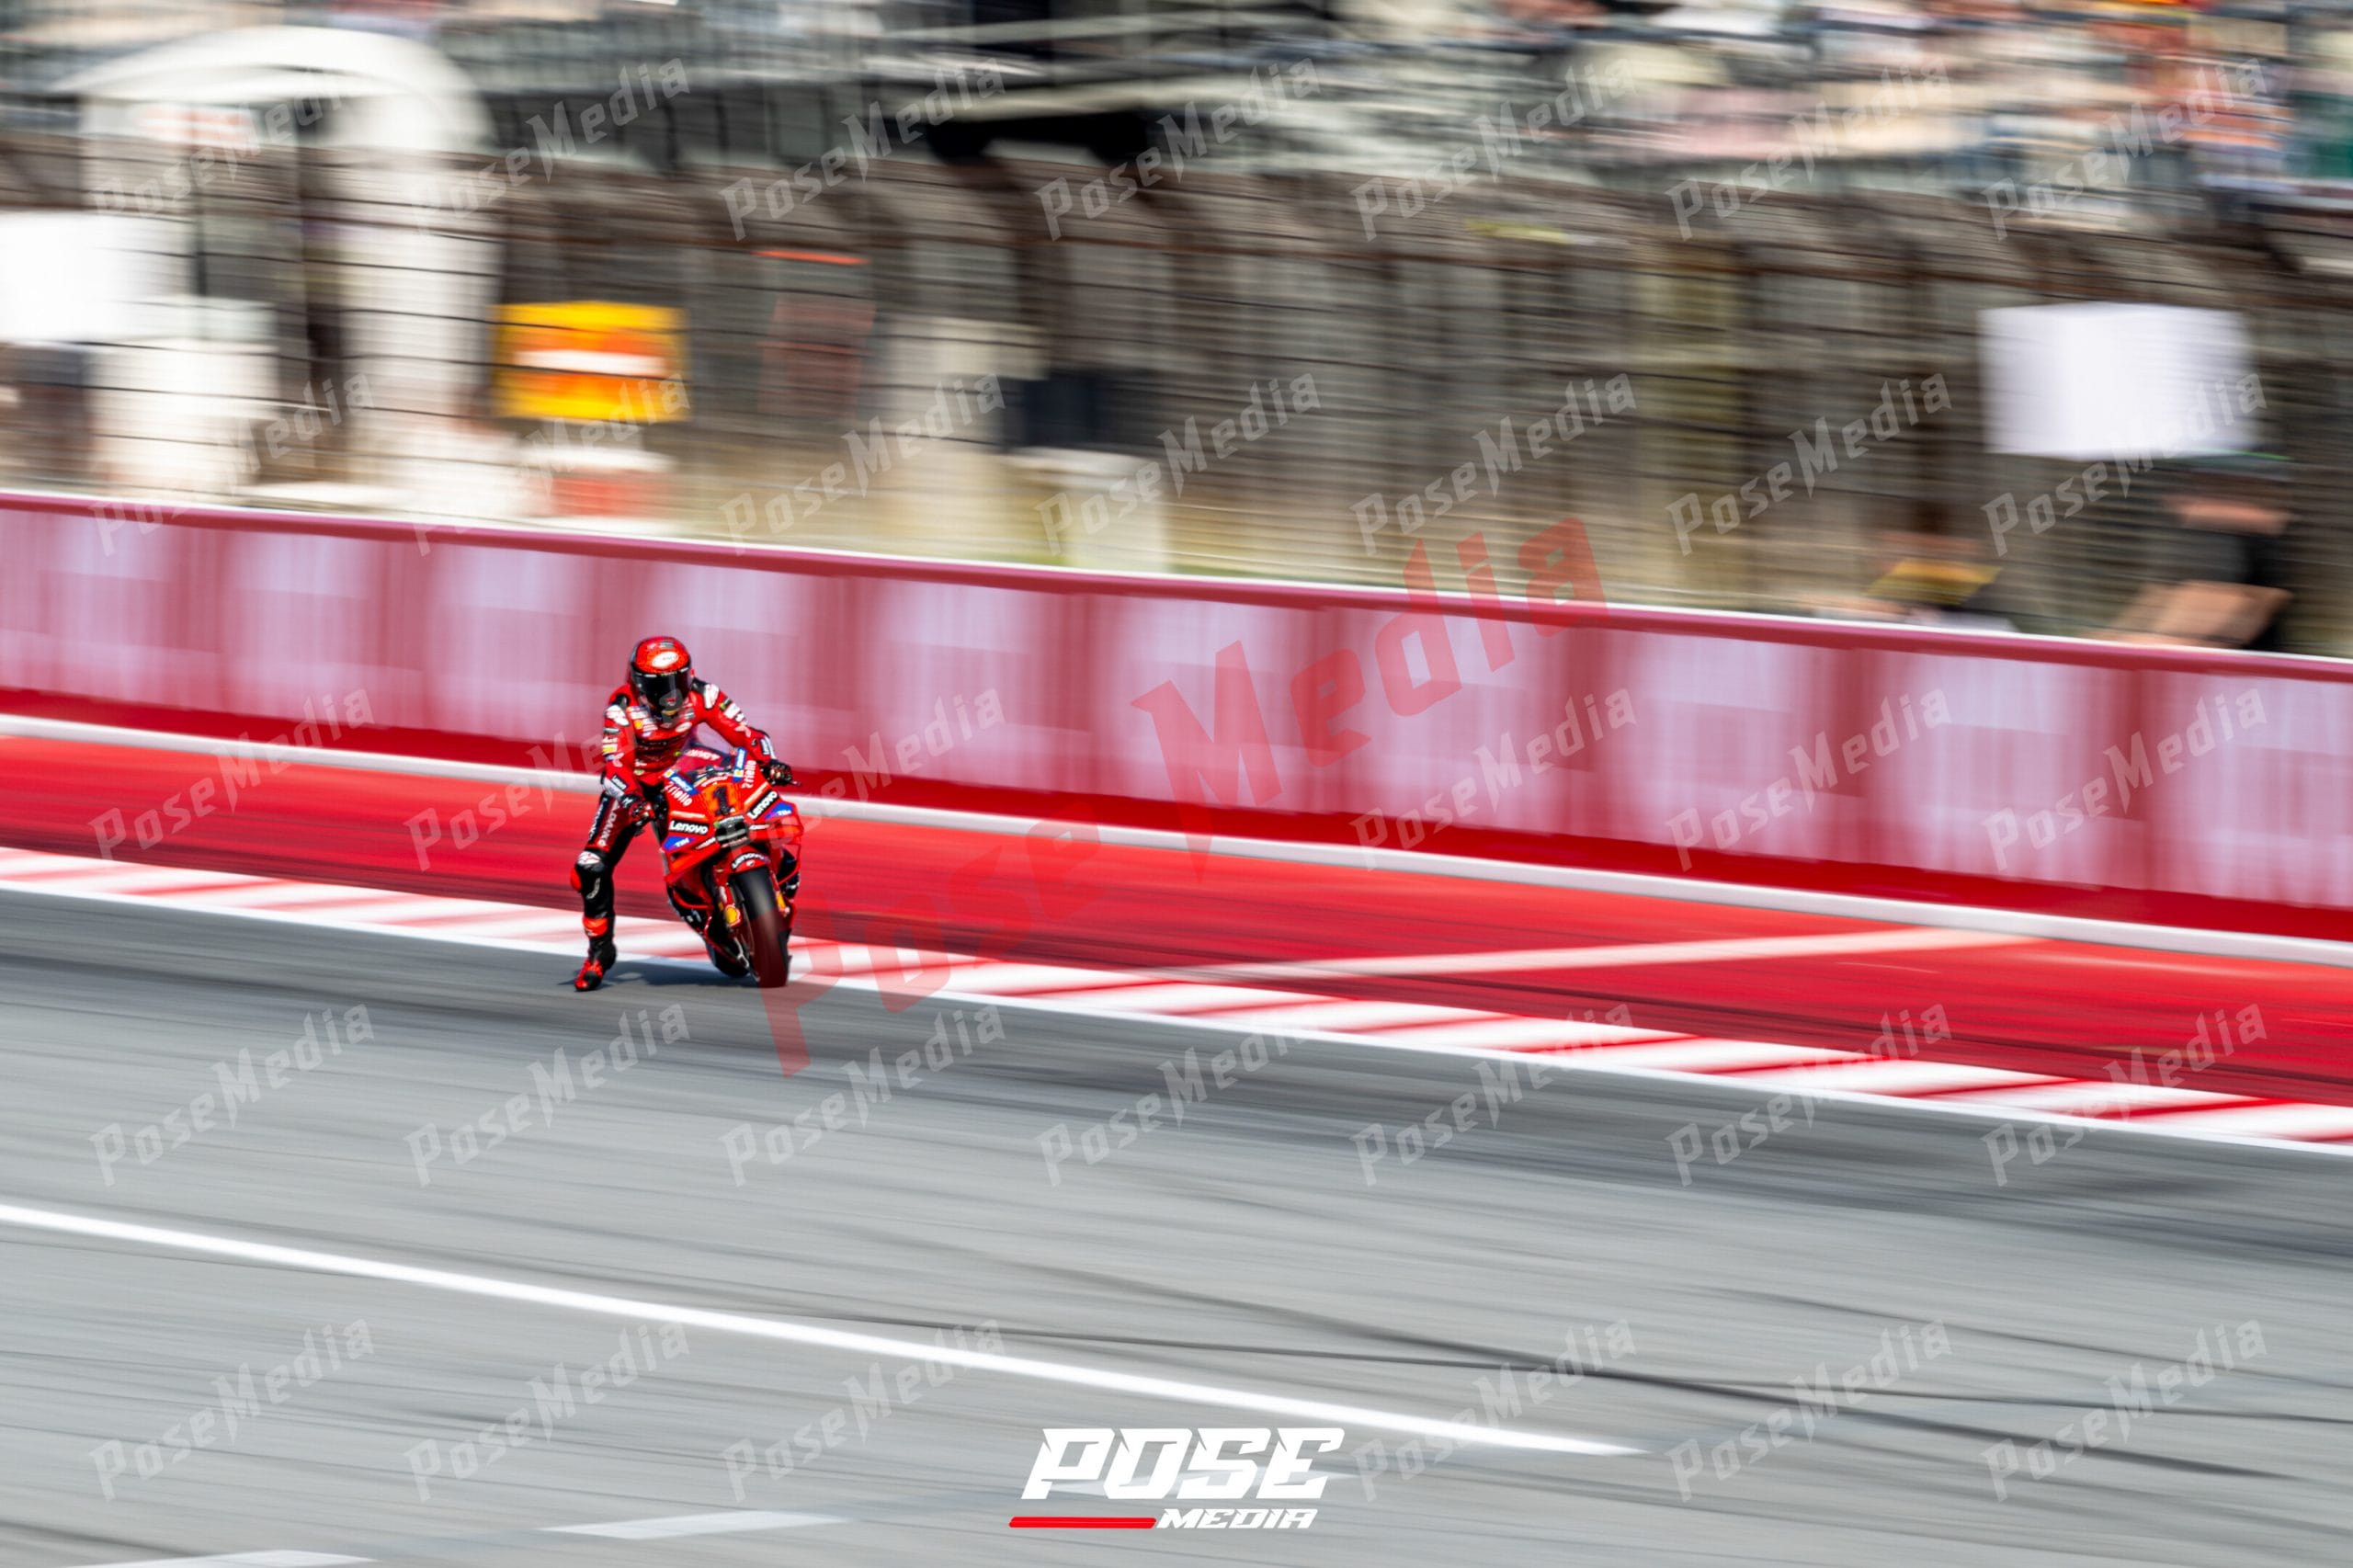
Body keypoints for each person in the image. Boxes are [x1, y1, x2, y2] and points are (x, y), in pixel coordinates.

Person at [572, 636, 794, 990]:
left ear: (689, 675)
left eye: (677, 681)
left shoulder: (704, 694)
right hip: (638, 786)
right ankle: (600, 952)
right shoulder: (622, 708)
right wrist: (634, 801)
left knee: (749, 814)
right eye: (660, 686)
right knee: (590, 866)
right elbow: (615, 767)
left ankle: (780, 879)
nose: (671, 695)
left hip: (686, 772)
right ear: (639, 685)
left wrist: (770, 762)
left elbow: (747, 734)